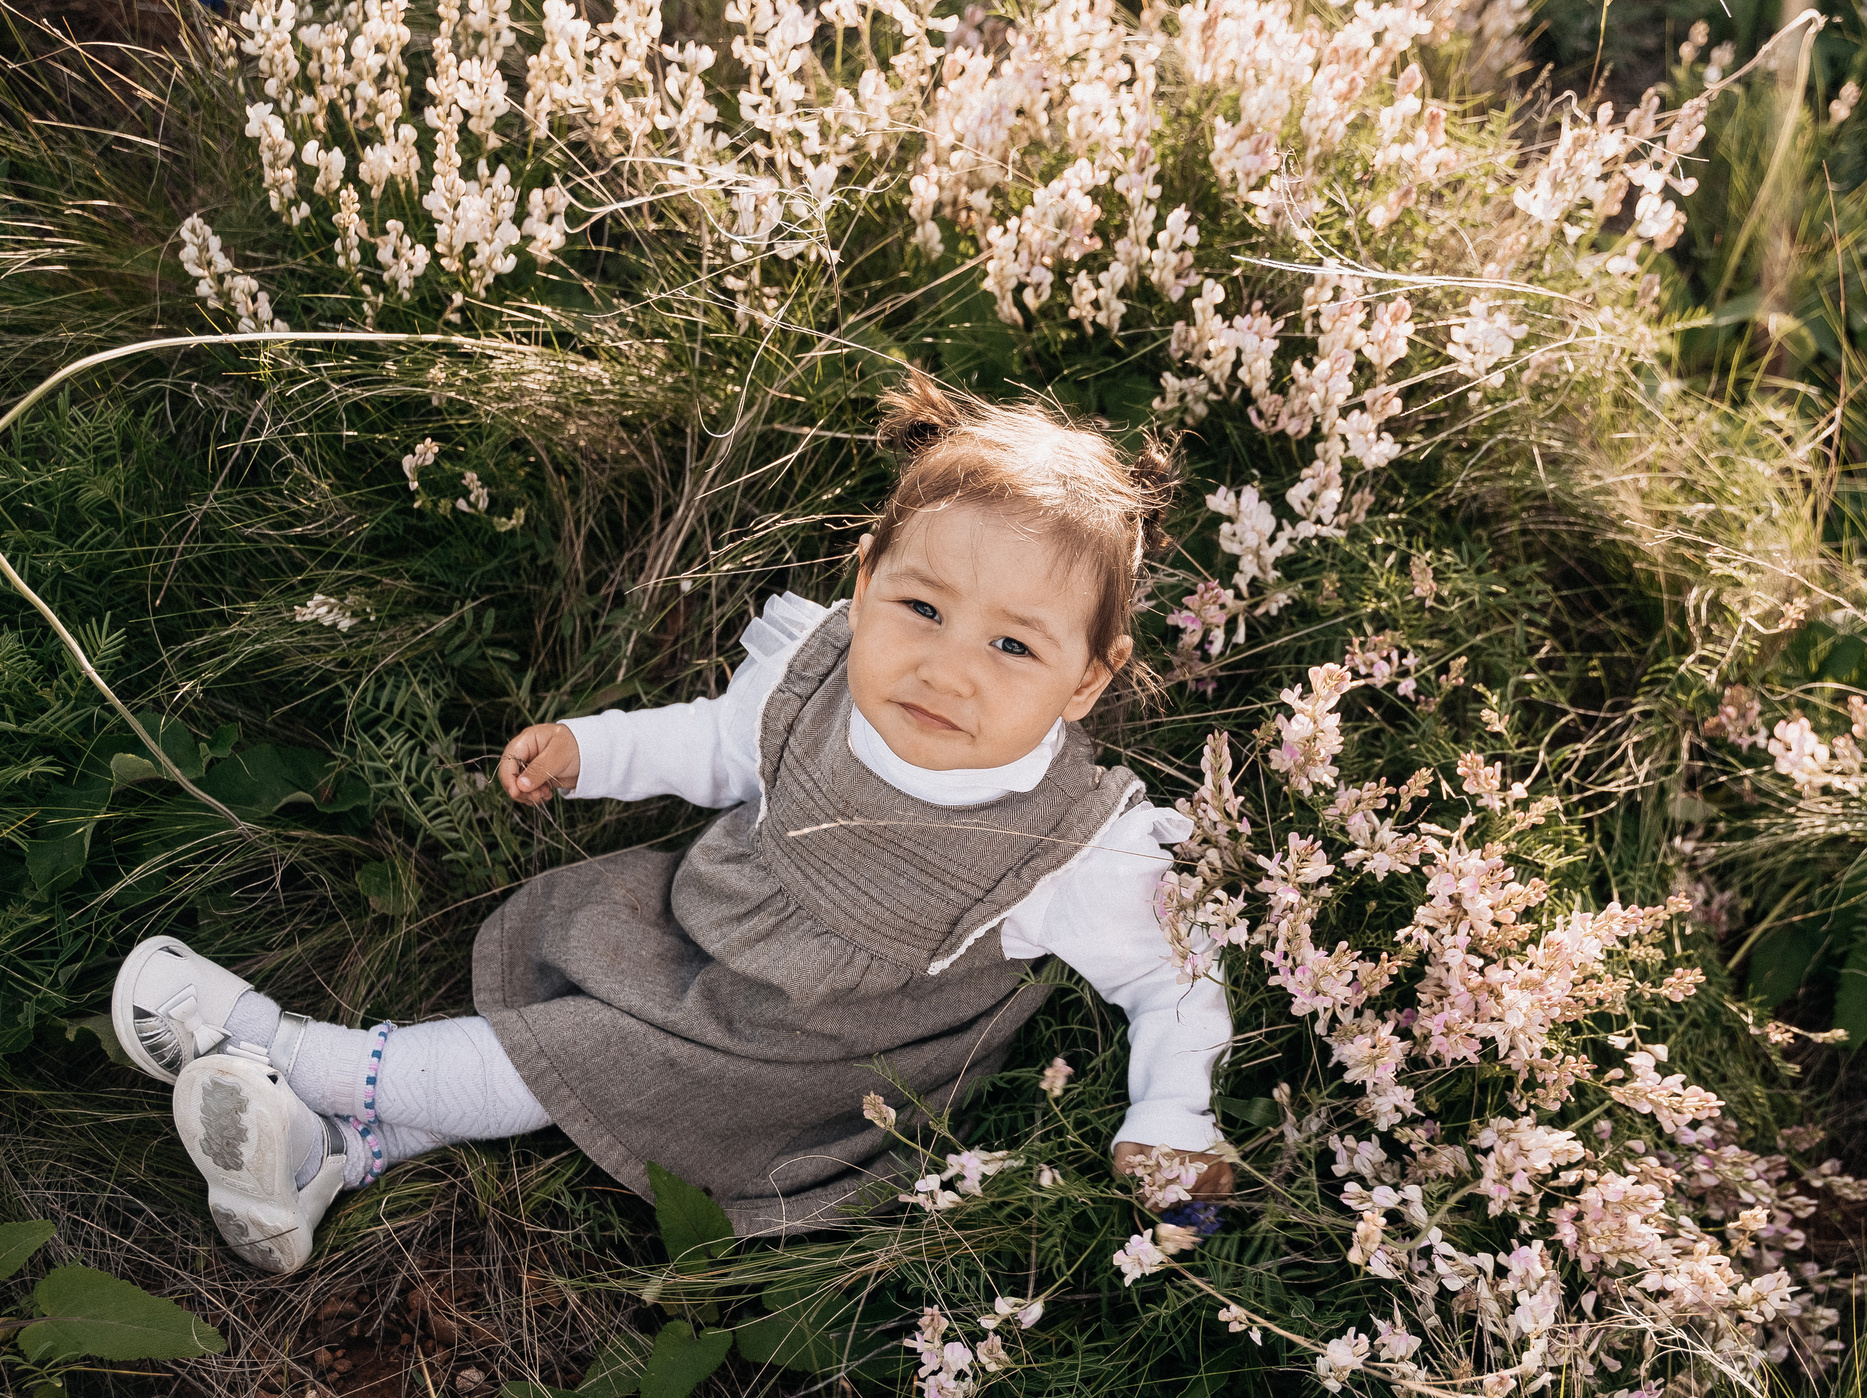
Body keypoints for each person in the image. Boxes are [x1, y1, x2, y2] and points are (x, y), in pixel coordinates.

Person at [109, 374, 1236, 1273]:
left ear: (1089, 680)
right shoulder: (818, 680)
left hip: (800, 1060)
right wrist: (590, 749)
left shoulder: (1074, 840)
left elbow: (1172, 977)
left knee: (565, 1054)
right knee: (578, 1035)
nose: (947, 667)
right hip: (697, 937)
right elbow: (711, 742)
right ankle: (327, 1160)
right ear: (864, 581)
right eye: (922, 608)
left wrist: (1173, 1114)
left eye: (1013, 646)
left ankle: (279, 1047)